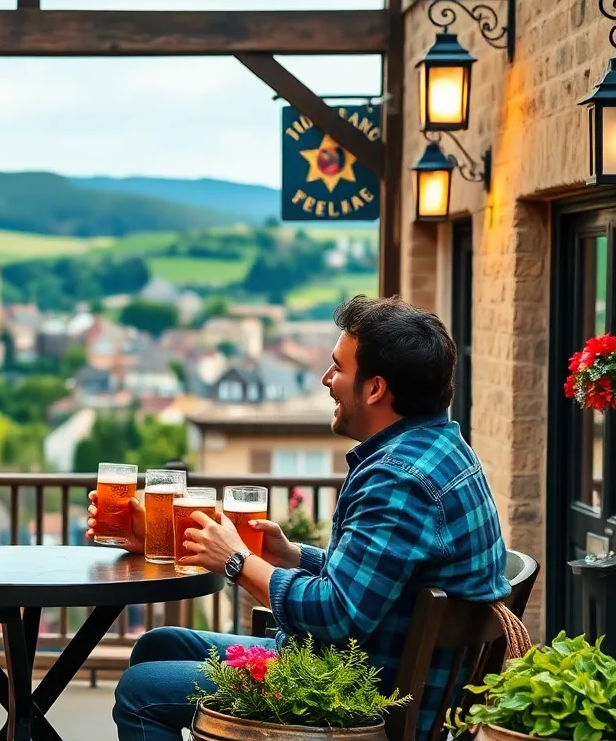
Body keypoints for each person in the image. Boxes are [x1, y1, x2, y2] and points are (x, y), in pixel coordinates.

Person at [96, 295, 511, 741]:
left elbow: (336, 616)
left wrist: (238, 561)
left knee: (141, 691)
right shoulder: (442, 449)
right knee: (158, 645)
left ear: (374, 389)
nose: (325, 379)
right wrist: (291, 555)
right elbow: (378, 580)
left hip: (353, 695)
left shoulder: (398, 480)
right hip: (364, 668)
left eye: (338, 368)